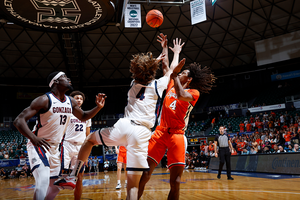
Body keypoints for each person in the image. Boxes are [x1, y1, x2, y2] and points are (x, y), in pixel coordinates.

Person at [54, 33, 186, 200]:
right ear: (152, 71)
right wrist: (173, 52)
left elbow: (143, 70)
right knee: (132, 186)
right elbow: (172, 70)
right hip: (142, 133)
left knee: (89, 141)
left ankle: (73, 174)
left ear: (135, 71)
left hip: (123, 126)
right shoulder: (157, 85)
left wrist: (155, 61)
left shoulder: (133, 84)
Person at [138, 36, 216, 200]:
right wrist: (166, 49)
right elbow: (166, 66)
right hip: (159, 133)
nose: (179, 73)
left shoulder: (193, 93)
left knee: (176, 182)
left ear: (189, 79)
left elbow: (180, 93)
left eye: (184, 73)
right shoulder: (171, 83)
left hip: (177, 136)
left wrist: (174, 75)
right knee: (145, 173)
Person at [13, 71, 106, 200]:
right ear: (55, 82)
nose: (68, 79)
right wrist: (33, 138)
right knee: (43, 181)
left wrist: (98, 107)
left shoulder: (70, 101)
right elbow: (19, 120)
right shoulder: (44, 99)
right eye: (64, 77)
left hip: (54, 148)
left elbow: (84, 116)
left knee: (56, 186)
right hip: (39, 145)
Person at [60, 90, 91, 200]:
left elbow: (88, 137)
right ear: (72, 100)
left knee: (79, 178)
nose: (79, 100)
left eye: (81, 98)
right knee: (60, 173)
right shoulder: (66, 113)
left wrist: (87, 154)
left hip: (81, 148)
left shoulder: (87, 116)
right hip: (67, 145)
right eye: (76, 98)